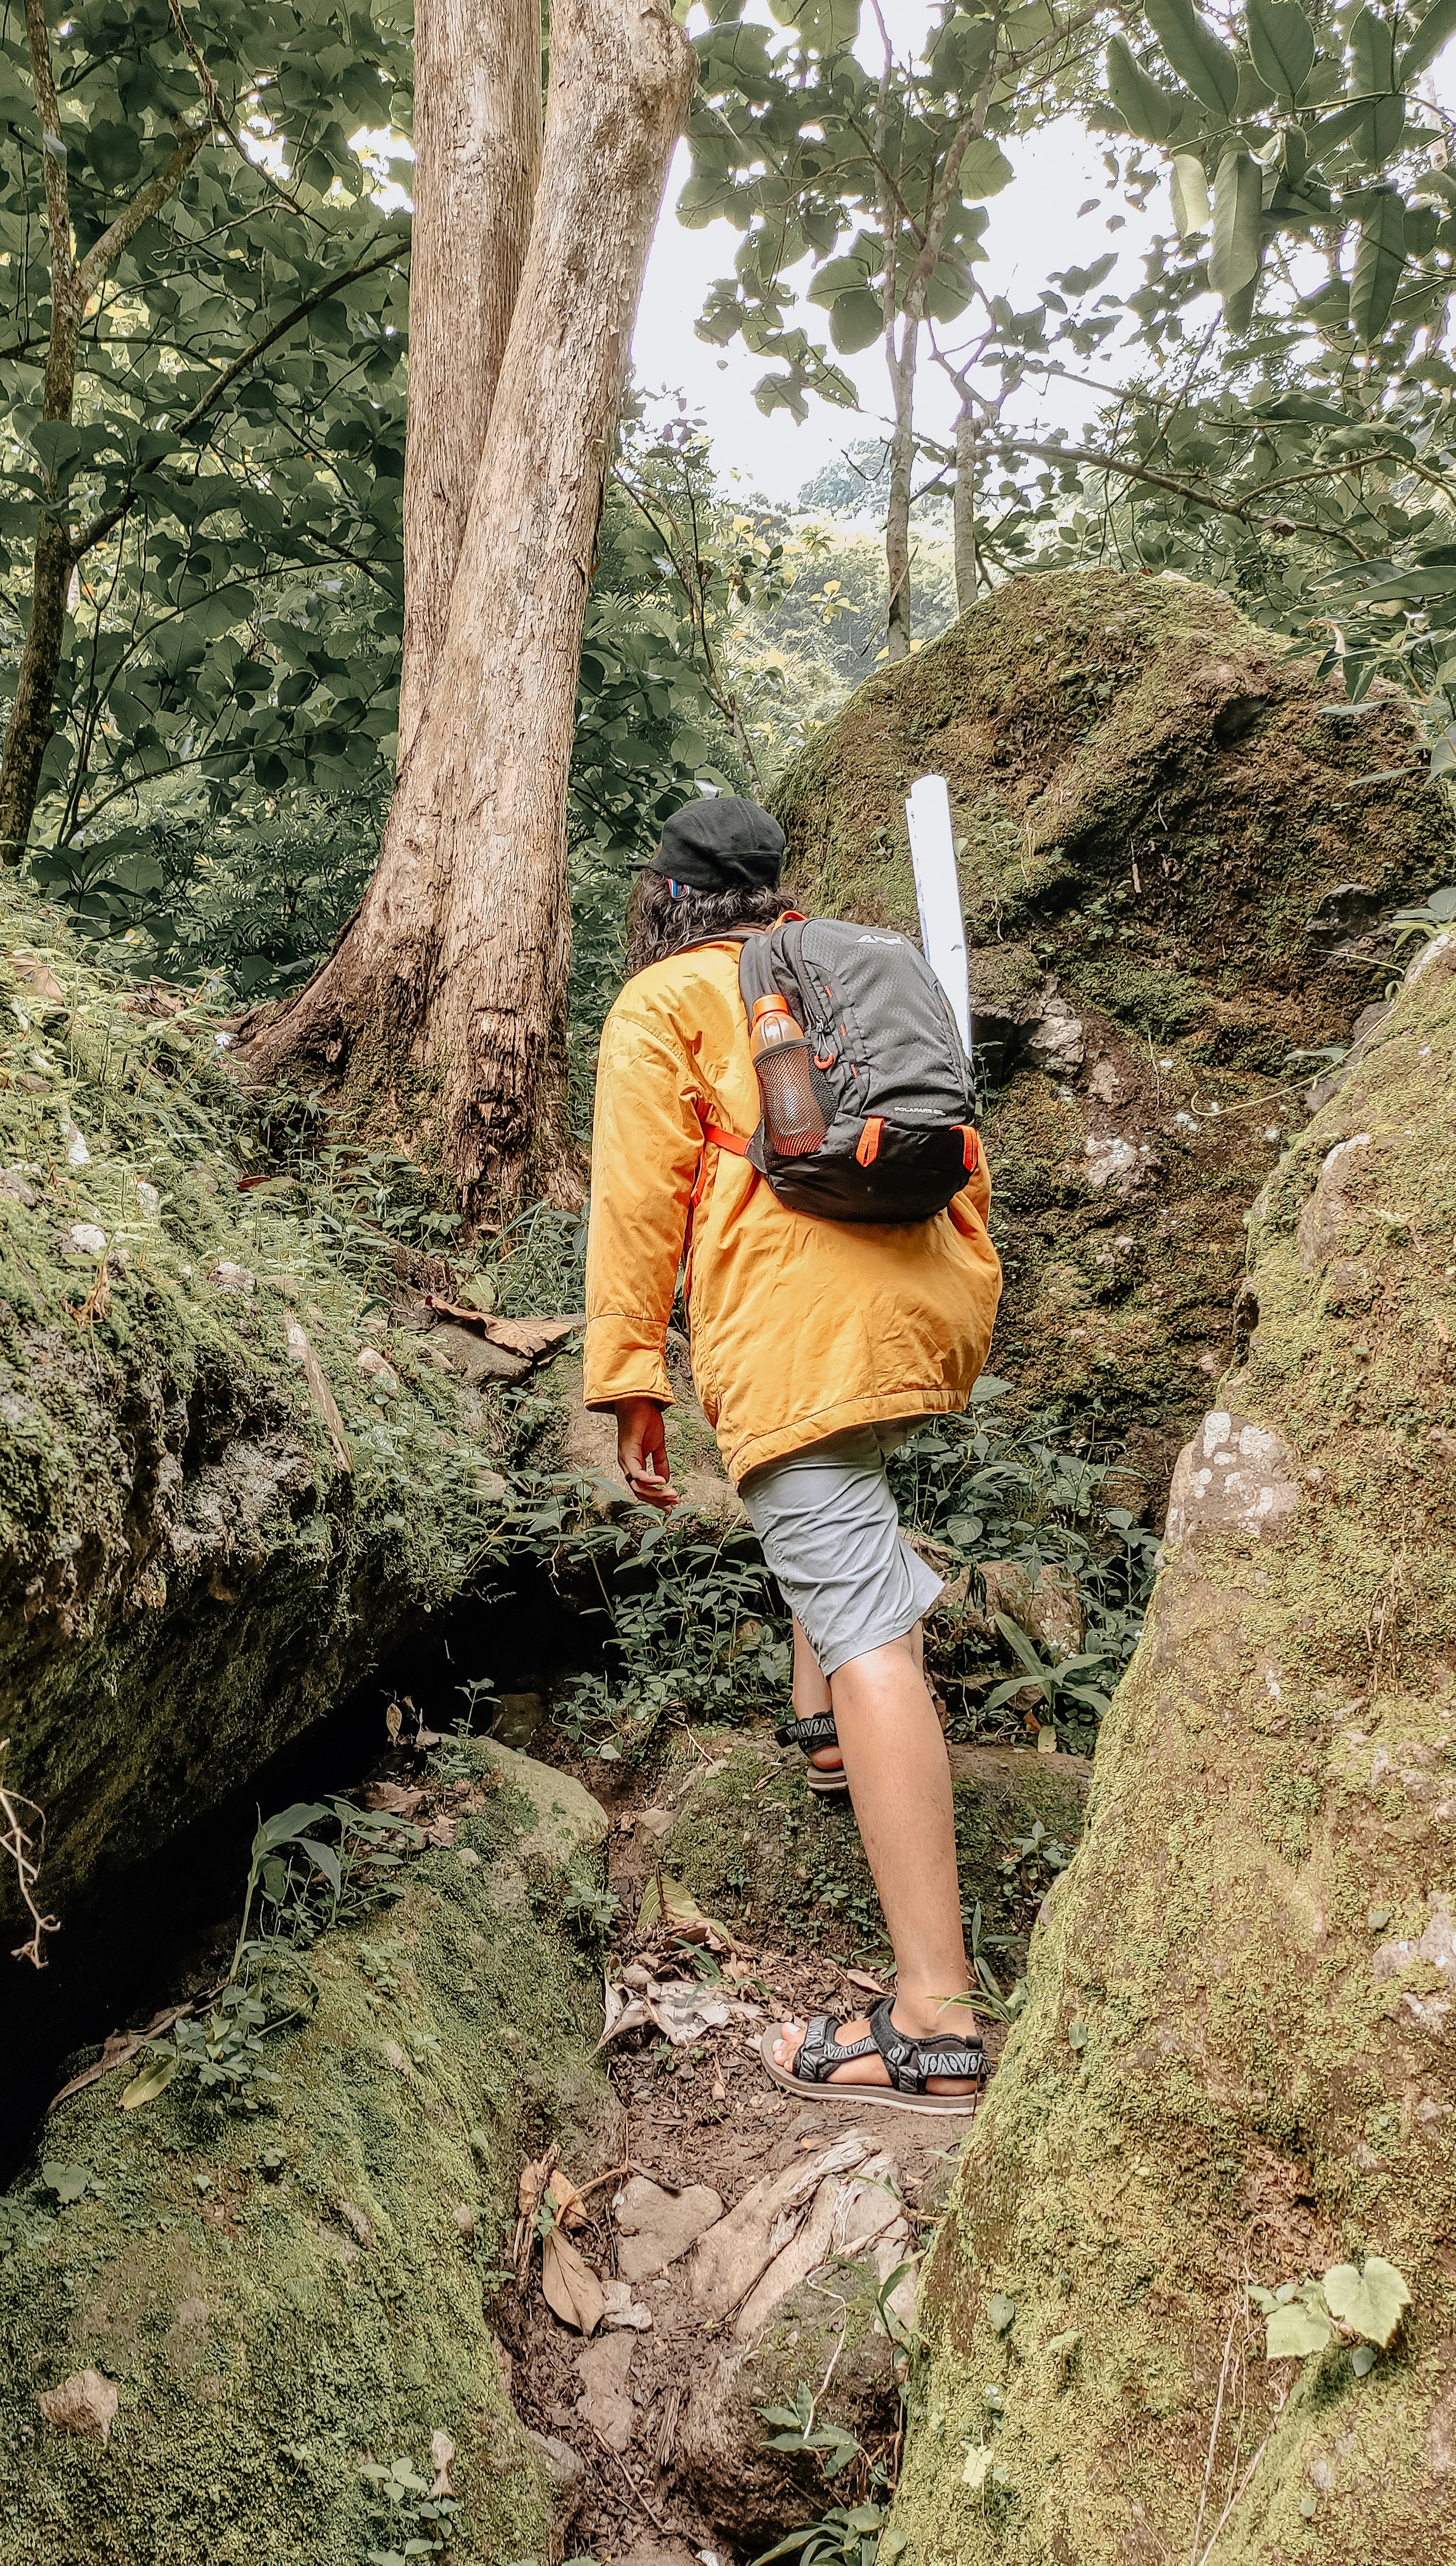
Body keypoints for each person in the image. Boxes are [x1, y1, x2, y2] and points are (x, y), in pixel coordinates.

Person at [582, 795, 1004, 2113]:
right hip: (921, 1298)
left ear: (666, 893)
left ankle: (932, 2018)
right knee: (843, 1522)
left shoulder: (663, 1005)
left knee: (858, 1603)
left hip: (794, 1319)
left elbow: (635, 1197)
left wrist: (629, 1376)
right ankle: (823, 1734)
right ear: (772, 892)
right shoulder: (852, 969)